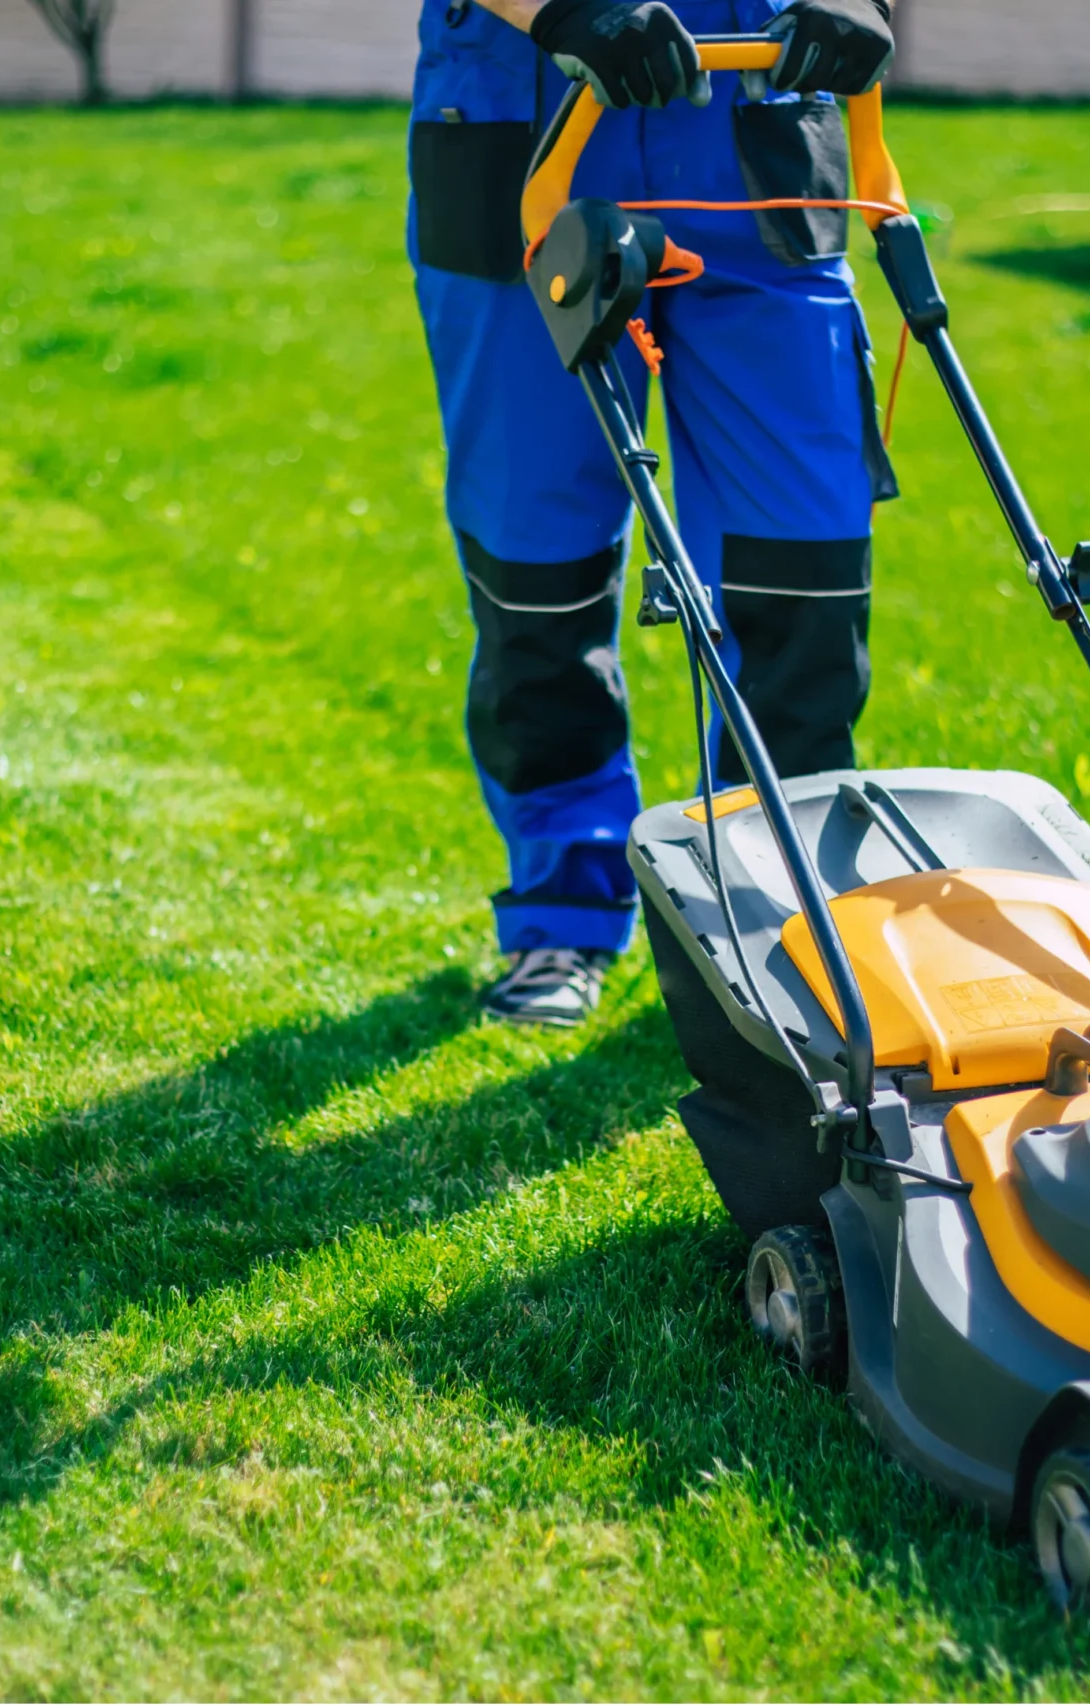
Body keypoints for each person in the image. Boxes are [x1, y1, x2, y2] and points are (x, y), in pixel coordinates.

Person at [409, 0, 897, 1028]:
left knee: (800, 566)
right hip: (531, 121)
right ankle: (563, 911)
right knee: (538, 562)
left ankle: (776, 920)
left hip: (759, 132)